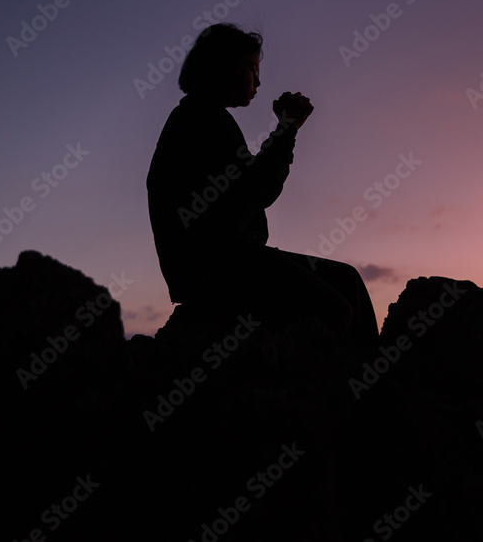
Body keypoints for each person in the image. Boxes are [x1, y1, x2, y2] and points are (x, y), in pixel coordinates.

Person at [146, 22, 378, 345]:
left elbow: (250, 185)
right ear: (224, 68)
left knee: (348, 280)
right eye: (252, 69)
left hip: (228, 260)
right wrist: (288, 128)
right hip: (218, 268)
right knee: (335, 311)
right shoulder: (202, 120)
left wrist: (285, 130)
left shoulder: (201, 117)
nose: (258, 80)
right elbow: (259, 190)